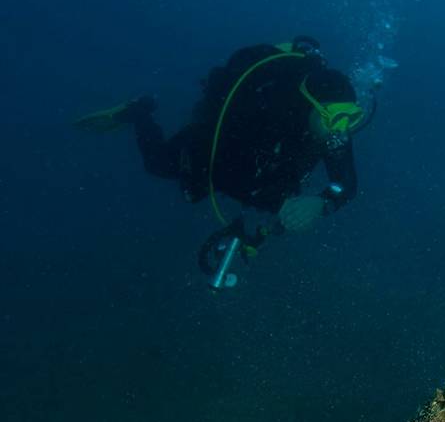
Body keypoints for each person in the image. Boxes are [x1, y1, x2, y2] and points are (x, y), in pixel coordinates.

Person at [75, 35, 368, 273]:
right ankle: (139, 112)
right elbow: (224, 174)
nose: (340, 131)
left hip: (264, 169)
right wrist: (280, 204)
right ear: (312, 108)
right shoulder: (264, 111)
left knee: (280, 185)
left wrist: (321, 202)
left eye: (351, 118)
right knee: (159, 164)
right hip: (215, 145)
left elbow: (346, 183)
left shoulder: (333, 123)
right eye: (333, 119)